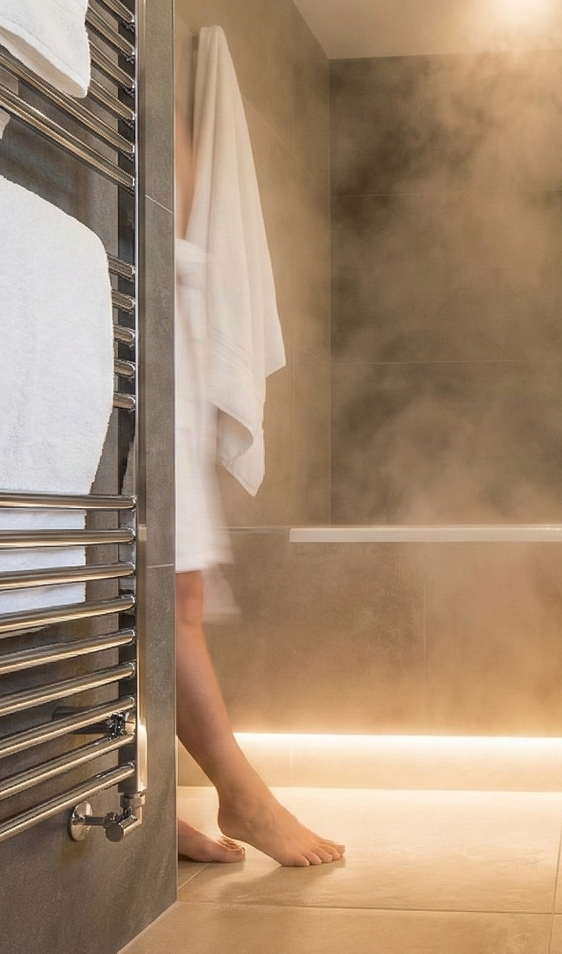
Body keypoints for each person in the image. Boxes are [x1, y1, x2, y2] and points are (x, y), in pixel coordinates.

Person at [170, 115, 344, 868]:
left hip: (138, 330)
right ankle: (242, 793)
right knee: (168, 596)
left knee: (144, 601)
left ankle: (147, 805)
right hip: (131, 334)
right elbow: (173, 201)